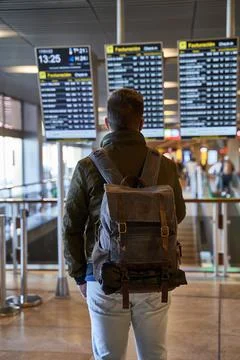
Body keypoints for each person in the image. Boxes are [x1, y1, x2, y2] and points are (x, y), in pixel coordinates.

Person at [63, 88, 186, 360]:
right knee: (155, 354)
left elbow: (71, 225)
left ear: (107, 123)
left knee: (108, 356)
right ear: (141, 123)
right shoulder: (164, 165)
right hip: (156, 276)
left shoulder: (87, 166)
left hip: (103, 275)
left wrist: (79, 274)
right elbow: (178, 213)